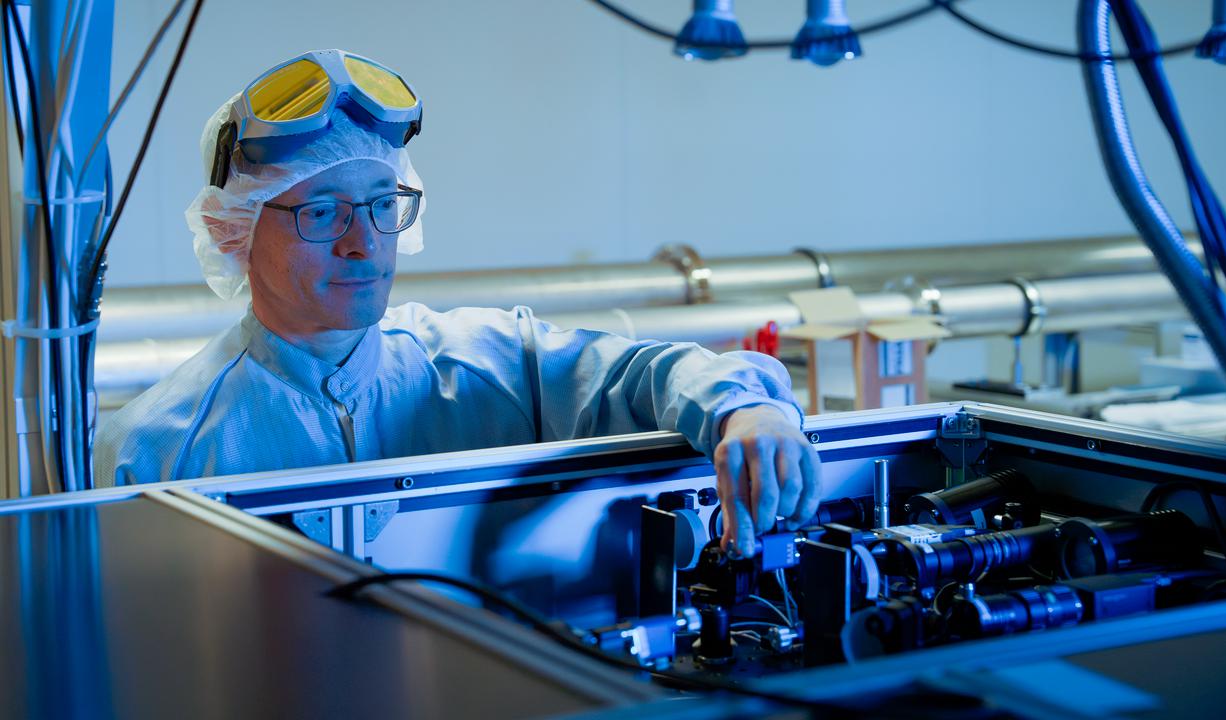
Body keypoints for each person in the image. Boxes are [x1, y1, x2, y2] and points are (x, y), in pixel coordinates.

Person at [93, 49, 819, 558]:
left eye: (383, 205)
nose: (361, 243)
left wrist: (744, 406)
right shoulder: (154, 450)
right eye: (321, 213)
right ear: (235, 232)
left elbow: (643, 374)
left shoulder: (487, 361)